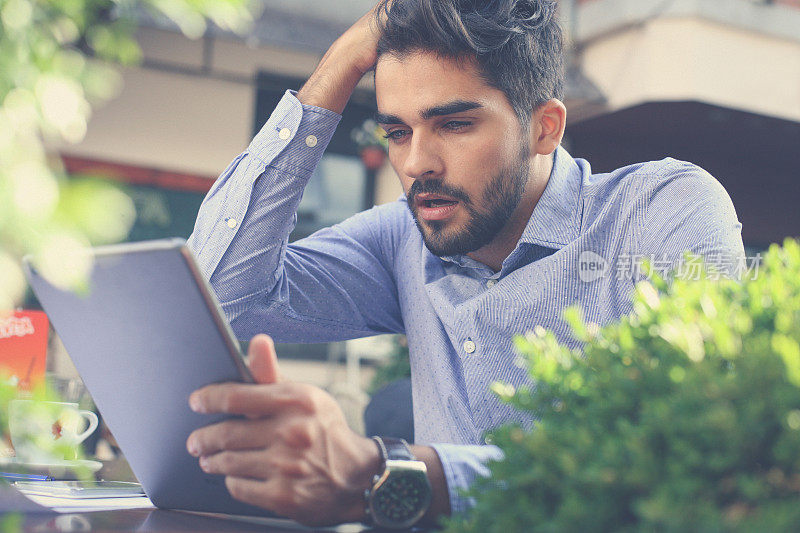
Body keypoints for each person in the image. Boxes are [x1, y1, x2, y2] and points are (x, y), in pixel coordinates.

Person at [184, 0, 745, 527]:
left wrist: (382, 473)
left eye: (453, 124)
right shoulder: (399, 238)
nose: (416, 163)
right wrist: (344, 60)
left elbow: (685, 457)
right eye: (397, 132)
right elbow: (217, 293)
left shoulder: (661, 209)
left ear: (544, 127)